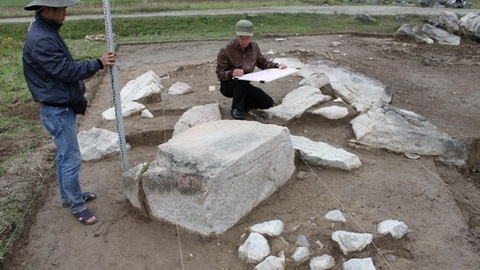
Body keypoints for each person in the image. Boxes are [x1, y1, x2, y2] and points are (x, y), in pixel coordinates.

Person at [22, 0, 117, 225]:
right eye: (62, 9)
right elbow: (65, 70)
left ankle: (70, 196)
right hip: (57, 108)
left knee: (65, 156)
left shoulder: (45, 30)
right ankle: (76, 205)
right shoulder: (42, 39)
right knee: (71, 158)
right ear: (47, 10)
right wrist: (98, 63)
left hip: (59, 104)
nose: (65, 13)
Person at [216, 19, 287, 120]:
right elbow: (220, 73)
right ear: (235, 35)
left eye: (248, 37)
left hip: (244, 85)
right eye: (241, 37)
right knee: (241, 82)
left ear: (252, 36)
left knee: (267, 102)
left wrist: (277, 66)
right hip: (228, 85)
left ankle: (244, 104)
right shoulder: (225, 50)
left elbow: (262, 62)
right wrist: (232, 73)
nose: (244, 41)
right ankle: (236, 109)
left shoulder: (254, 46)